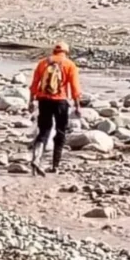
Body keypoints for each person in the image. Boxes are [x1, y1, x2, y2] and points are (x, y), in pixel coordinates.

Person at [28, 41, 82, 176]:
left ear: (53, 51)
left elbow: (34, 84)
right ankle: (55, 166)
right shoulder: (70, 64)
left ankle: (36, 158)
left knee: (44, 130)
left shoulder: (42, 63)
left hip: (43, 100)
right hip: (61, 102)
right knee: (60, 132)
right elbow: (75, 87)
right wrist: (77, 105)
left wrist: (31, 101)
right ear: (66, 52)